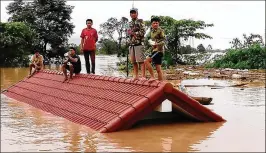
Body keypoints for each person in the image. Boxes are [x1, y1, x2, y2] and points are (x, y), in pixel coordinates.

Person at [144, 17, 166, 82]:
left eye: (157, 23)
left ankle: (153, 77)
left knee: (146, 61)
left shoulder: (160, 31)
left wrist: (157, 44)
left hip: (159, 50)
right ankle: (161, 83)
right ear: (151, 24)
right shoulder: (151, 32)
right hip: (154, 50)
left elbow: (164, 41)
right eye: (154, 23)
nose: (155, 24)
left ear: (158, 24)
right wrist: (151, 43)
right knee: (158, 68)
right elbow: (148, 39)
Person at [127, 8, 146, 81]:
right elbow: (128, 32)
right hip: (131, 44)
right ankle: (136, 76)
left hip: (139, 43)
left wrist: (134, 33)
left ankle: (143, 76)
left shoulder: (140, 21)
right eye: (131, 13)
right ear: (130, 15)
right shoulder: (129, 23)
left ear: (137, 13)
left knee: (141, 61)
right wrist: (129, 33)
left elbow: (143, 32)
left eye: (134, 13)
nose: (133, 14)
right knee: (133, 61)